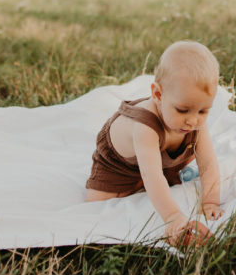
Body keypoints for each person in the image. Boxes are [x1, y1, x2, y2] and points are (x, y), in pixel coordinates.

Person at [85, 40, 223, 245]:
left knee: (181, 149)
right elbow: (153, 176)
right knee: (96, 203)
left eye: (203, 111)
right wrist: (173, 217)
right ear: (158, 94)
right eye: (183, 110)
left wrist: (210, 200)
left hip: (161, 156)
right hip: (119, 162)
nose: (193, 120)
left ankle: (168, 170)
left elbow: (208, 163)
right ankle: (141, 180)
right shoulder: (145, 127)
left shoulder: (193, 122)